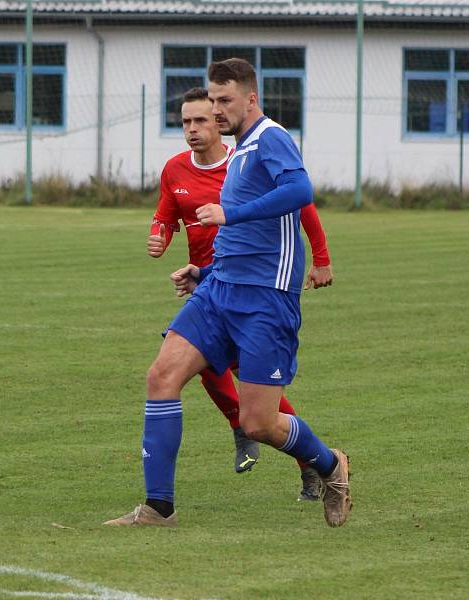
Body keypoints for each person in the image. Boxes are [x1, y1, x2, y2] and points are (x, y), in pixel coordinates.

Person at [105, 58, 351, 528]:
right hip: (220, 289)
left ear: (250, 98)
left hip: (265, 299)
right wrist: (203, 270)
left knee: (260, 423)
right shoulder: (239, 150)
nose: (216, 110)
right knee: (162, 377)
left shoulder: (270, 138)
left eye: (224, 101)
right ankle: (159, 508)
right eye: (211, 101)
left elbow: (300, 189)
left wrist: (232, 217)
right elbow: (243, 237)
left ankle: (329, 465)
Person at [146, 87, 333, 501]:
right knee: (173, 373)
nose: (194, 128)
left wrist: (321, 257)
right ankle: (161, 505)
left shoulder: (248, 160)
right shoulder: (175, 170)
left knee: (262, 411)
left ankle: (313, 463)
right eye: (186, 122)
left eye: (203, 119)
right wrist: (160, 235)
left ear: (220, 122)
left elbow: (302, 202)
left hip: (258, 293)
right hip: (212, 289)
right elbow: (164, 214)